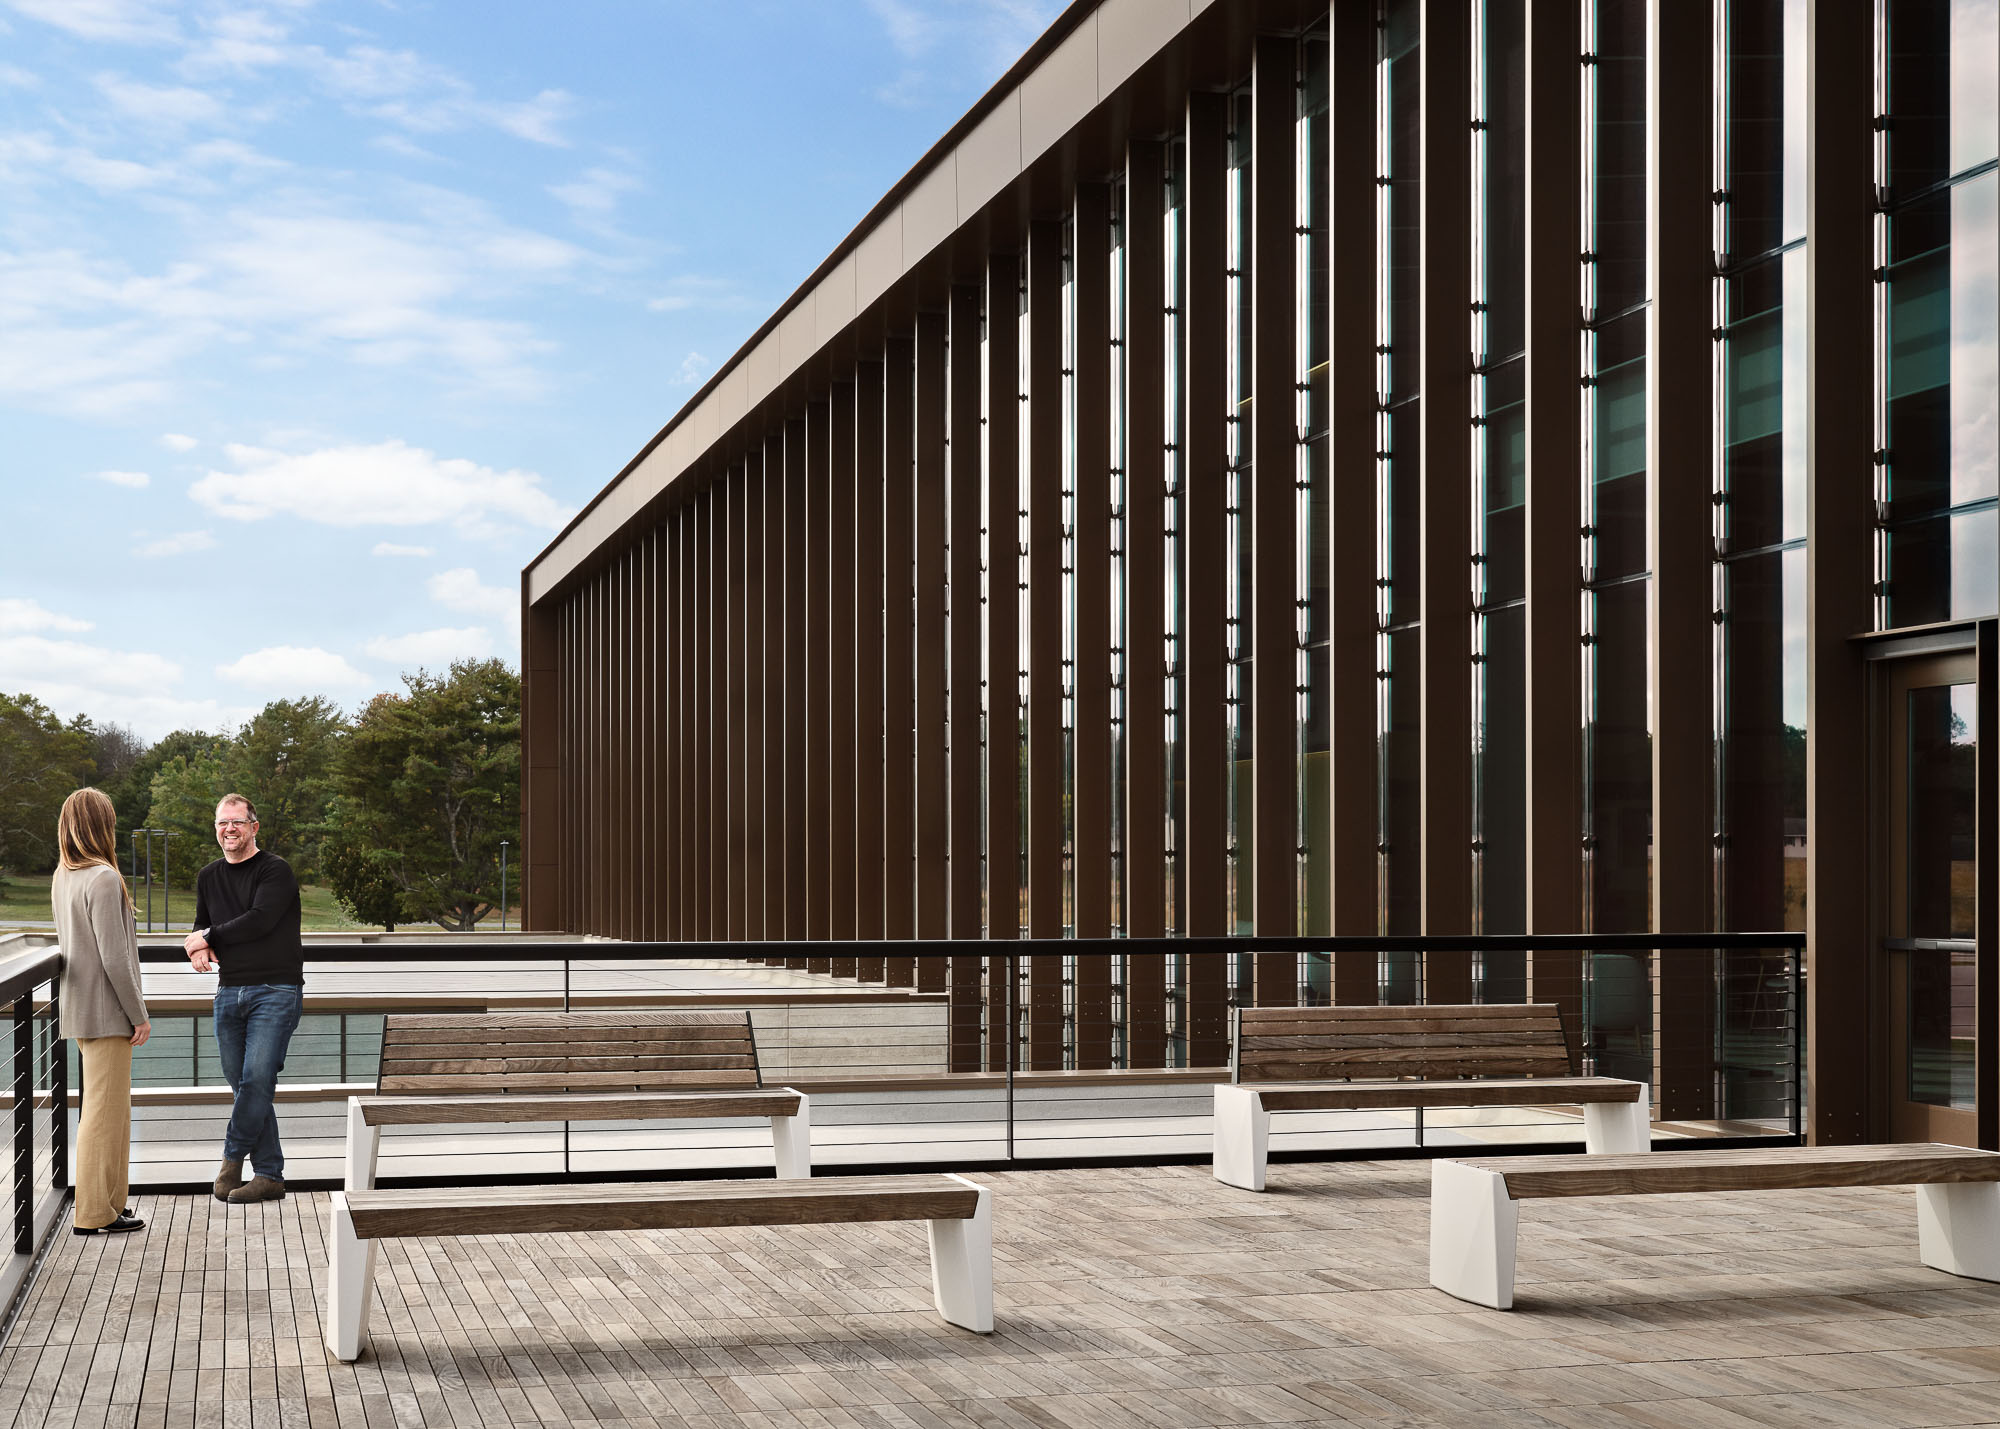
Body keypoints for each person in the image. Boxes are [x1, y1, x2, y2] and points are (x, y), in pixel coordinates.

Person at [183, 793, 303, 1205]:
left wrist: (208, 937)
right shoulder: (208, 876)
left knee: (255, 1080)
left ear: (254, 827)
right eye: (222, 823)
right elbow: (203, 922)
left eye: (236, 822)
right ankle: (269, 1174)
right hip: (228, 992)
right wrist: (199, 946)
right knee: (247, 1086)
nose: (228, 829)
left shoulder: (276, 871)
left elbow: (260, 920)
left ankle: (232, 1160)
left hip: (276, 990)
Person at [52, 788, 152, 1236]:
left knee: (111, 1111)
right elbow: (115, 957)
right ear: (101, 825)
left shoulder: (64, 875)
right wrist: (140, 1014)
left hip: (81, 1008)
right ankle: (94, 1213)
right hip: (109, 1012)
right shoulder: (104, 878)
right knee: (103, 1113)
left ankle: (111, 1205)